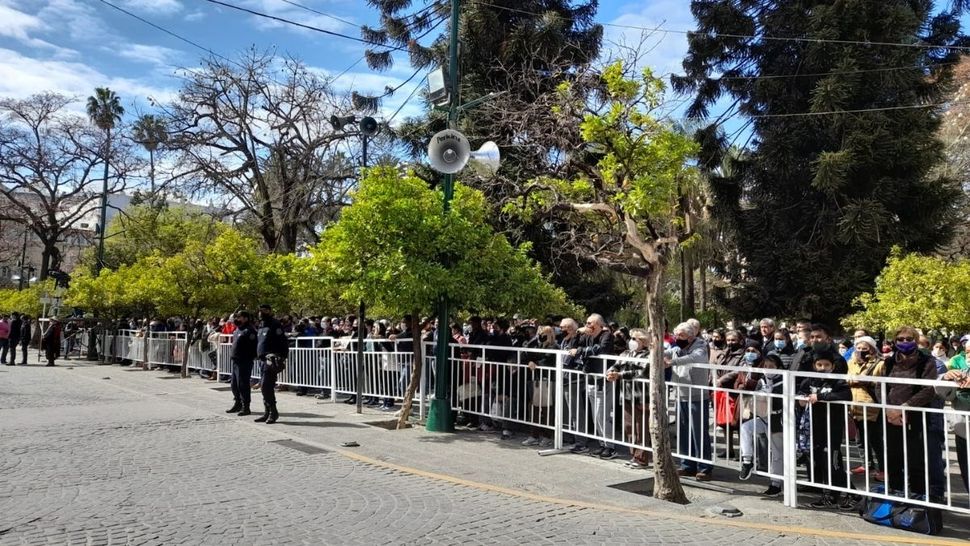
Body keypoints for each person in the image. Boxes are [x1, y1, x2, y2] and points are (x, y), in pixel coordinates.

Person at [880, 326, 941, 500]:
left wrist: (905, 407)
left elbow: (928, 390)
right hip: (891, 415)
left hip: (915, 415)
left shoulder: (926, 361)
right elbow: (880, 385)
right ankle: (895, 492)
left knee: (916, 458)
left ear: (915, 339)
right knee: (893, 456)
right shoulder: (889, 361)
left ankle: (918, 495)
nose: (905, 342)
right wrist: (889, 409)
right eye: (901, 339)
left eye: (909, 339)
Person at [797, 349, 851, 509]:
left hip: (832, 427)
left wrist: (820, 397)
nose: (822, 368)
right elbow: (800, 395)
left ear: (833, 366)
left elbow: (846, 396)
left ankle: (847, 494)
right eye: (819, 364)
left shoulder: (838, 382)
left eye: (826, 365)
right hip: (814, 427)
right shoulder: (809, 381)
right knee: (820, 462)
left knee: (833, 463)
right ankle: (831, 494)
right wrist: (800, 400)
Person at [667, 321, 713, 481]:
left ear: (690, 336)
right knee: (684, 431)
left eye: (681, 335)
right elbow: (667, 352)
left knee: (699, 432)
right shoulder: (676, 348)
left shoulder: (700, 345)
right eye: (676, 335)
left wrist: (672, 362)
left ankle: (704, 467)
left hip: (697, 396)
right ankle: (687, 465)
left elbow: (695, 357)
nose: (677, 338)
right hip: (681, 394)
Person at [567, 314, 616, 458]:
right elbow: (572, 348)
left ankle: (610, 446)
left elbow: (601, 349)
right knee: (595, 416)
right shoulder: (586, 336)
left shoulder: (607, 335)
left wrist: (581, 352)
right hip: (590, 378)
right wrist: (577, 334)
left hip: (603, 380)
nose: (587, 326)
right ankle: (602, 444)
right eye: (587, 323)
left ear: (599, 325)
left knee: (602, 415)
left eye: (591, 324)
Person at [738, 353, 785, 497]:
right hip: (764, 418)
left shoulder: (784, 381)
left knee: (777, 454)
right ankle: (747, 461)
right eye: (765, 366)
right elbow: (753, 397)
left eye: (771, 366)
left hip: (779, 420)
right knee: (746, 427)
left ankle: (776, 484)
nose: (767, 369)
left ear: (779, 367)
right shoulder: (762, 381)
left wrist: (769, 396)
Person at [606, 328, 652, 468]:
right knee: (629, 427)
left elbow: (641, 372)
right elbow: (615, 365)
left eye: (635, 339)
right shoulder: (625, 353)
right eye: (631, 338)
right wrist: (611, 372)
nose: (631, 341)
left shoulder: (648, 355)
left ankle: (642, 458)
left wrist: (620, 375)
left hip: (642, 396)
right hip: (626, 395)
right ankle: (633, 455)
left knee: (641, 428)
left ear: (643, 341)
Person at [845, 336, 884, 480]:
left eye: (864, 348)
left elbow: (878, 382)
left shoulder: (879, 363)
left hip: (871, 405)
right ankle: (866, 464)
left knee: (875, 439)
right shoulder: (851, 362)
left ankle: (883, 468)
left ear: (872, 349)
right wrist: (855, 379)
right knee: (859, 438)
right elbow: (846, 378)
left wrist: (861, 379)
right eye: (858, 348)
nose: (861, 351)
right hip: (854, 405)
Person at [522, 325, 557, 447]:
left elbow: (547, 360)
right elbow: (526, 354)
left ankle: (547, 436)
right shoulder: (537, 345)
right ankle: (534, 435)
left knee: (547, 410)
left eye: (543, 334)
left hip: (549, 380)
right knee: (535, 408)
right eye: (539, 333)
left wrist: (535, 363)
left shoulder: (554, 346)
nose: (541, 336)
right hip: (537, 379)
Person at [255, 304, 289, 424]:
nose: (261, 313)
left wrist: (282, 357)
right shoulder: (261, 325)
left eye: (263, 310)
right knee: (265, 388)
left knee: (266, 386)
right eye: (259, 310)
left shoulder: (275, 324)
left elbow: (283, 342)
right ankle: (267, 412)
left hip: (271, 360)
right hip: (262, 360)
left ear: (269, 311)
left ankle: (273, 413)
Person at [226, 311, 257, 416]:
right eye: (237, 317)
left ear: (246, 318)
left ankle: (246, 407)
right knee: (234, 384)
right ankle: (238, 403)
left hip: (244, 361)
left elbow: (253, 346)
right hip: (236, 361)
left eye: (239, 317)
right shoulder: (238, 329)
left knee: (243, 384)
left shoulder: (250, 330)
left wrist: (249, 357)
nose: (237, 319)